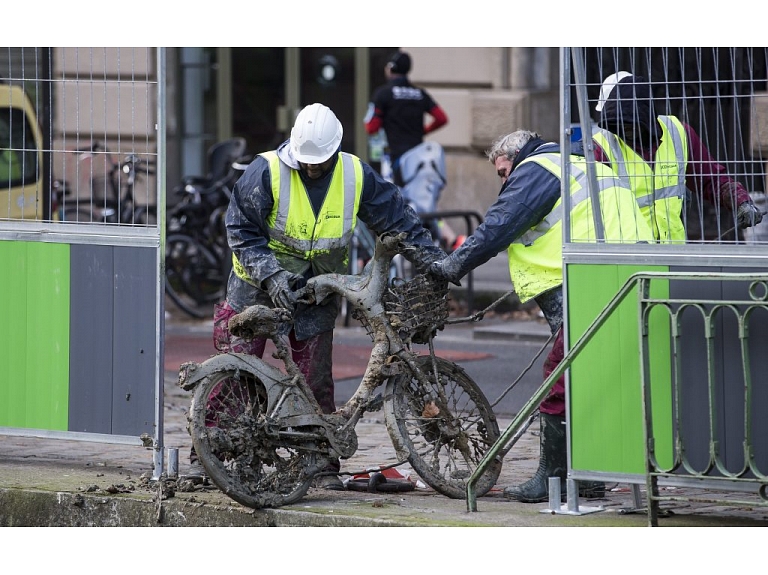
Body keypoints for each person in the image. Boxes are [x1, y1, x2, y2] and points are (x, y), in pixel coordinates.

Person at [197, 102, 445, 490]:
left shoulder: (354, 174)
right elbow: (241, 232)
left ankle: (319, 461)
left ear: (335, 151)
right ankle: (208, 453)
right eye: (306, 162)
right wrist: (273, 277)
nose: (312, 168)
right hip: (255, 288)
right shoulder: (267, 172)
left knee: (315, 380)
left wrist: (432, 260)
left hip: (317, 289)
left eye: (319, 162)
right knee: (235, 374)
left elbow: (397, 218)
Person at [427, 129, 654, 503]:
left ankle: (550, 477)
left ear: (516, 157)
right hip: (626, 274)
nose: (505, 180)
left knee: (559, 378)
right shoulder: (578, 163)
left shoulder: (538, 168)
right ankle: (588, 476)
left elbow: (496, 228)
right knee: (591, 379)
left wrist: (450, 267)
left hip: (594, 282)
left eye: (503, 171)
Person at [592, 71, 763, 242]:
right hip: (625, 251)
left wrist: (741, 202)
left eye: (628, 123)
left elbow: (710, 178)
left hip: (672, 249)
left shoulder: (678, 134)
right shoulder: (601, 147)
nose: (622, 129)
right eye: (615, 123)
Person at [364, 50, 463, 251]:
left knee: (391, 206)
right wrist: (423, 130)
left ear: (390, 69)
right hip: (420, 159)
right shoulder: (420, 94)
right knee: (426, 206)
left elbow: (370, 127)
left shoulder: (383, 93)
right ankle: (451, 239)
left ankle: (383, 252)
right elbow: (441, 118)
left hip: (398, 161)